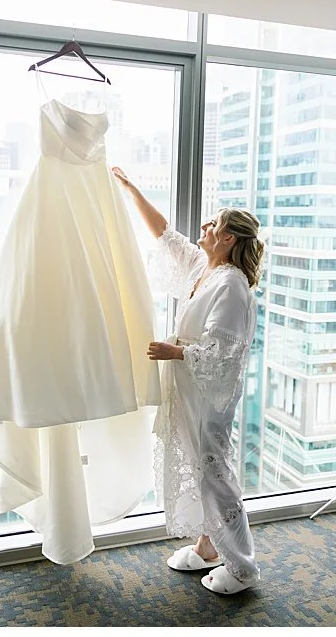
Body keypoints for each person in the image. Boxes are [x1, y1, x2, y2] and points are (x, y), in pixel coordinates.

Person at [112, 166, 264, 595]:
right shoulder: (205, 268)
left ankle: (243, 566)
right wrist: (132, 190)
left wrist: (175, 352)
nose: (203, 228)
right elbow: (166, 234)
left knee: (214, 474)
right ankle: (207, 547)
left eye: (212, 224)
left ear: (228, 238)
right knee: (200, 470)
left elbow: (225, 350)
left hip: (208, 399)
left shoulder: (232, 285)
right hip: (189, 392)